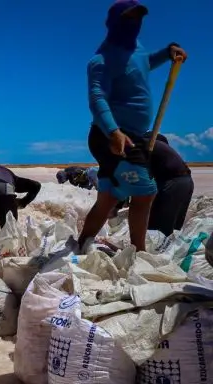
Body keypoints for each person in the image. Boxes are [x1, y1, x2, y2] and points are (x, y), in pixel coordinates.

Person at [77, 0, 187, 253]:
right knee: (145, 193)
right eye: (128, 19)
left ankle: (82, 245)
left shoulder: (137, 49)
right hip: (113, 137)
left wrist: (168, 52)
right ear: (113, 23)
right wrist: (114, 132)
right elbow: (97, 98)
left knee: (108, 197)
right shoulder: (101, 60)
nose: (134, 24)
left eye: (138, 19)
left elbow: (144, 63)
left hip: (131, 136)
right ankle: (139, 253)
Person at [147, 134, 194, 236]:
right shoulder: (163, 150)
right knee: (174, 226)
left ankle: (157, 249)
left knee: (158, 227)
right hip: (187, 182)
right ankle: (169, 248)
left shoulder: (147, 148)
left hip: (173, 183)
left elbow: (144, 181)